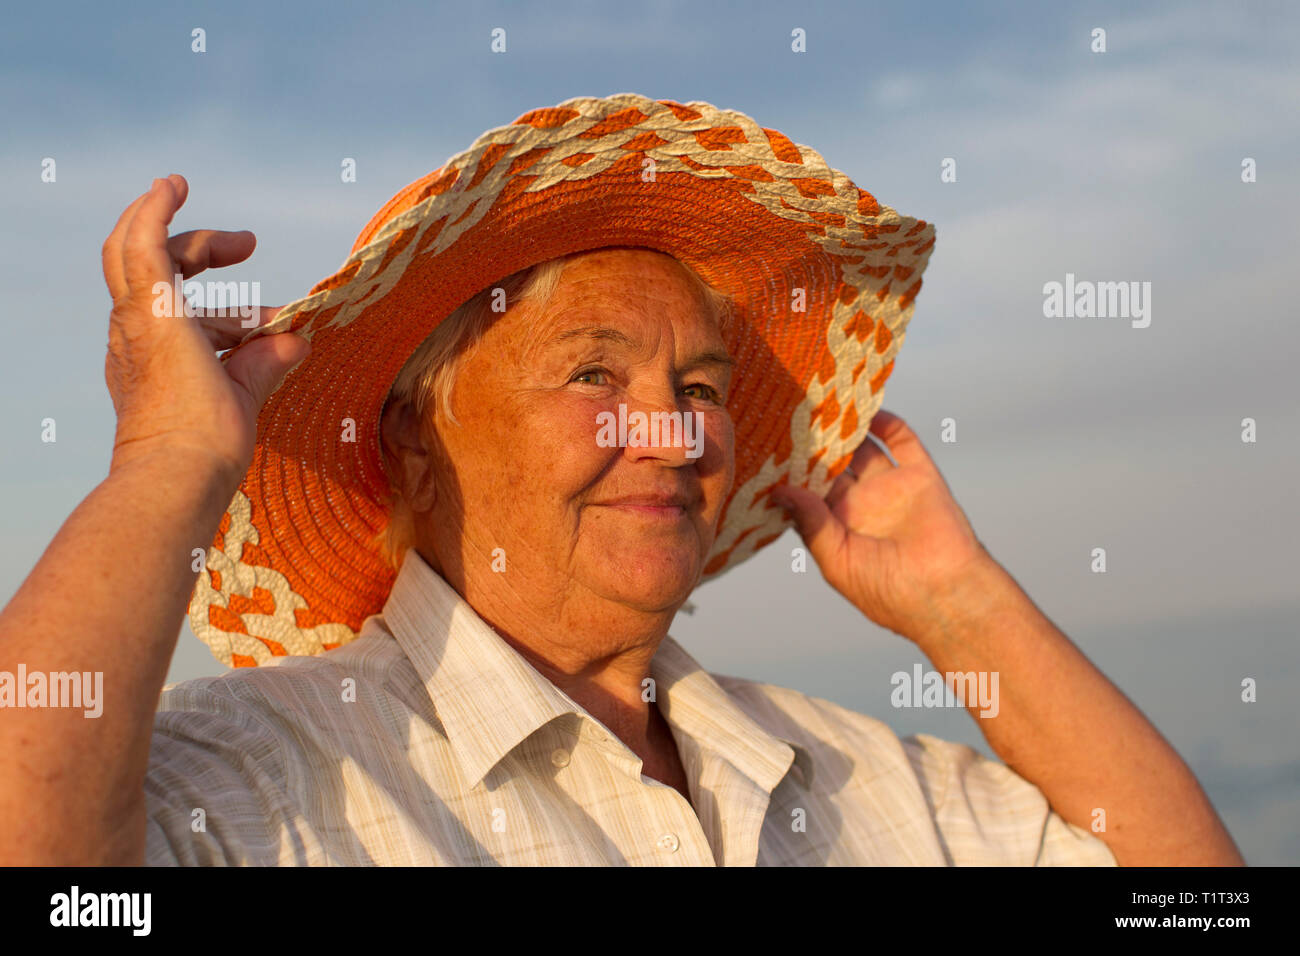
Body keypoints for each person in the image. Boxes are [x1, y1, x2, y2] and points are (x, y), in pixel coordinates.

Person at [0, 95, 1243, 865]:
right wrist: (168, 462)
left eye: (699, 390)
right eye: (595, 372)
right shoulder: (272, 772)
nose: (672, 433)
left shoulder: (835, 768)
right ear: (413, 440)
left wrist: (961, 606)